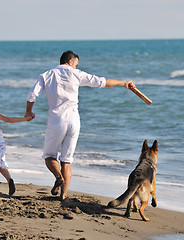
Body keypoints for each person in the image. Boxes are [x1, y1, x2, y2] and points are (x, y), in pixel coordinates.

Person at [25, 50, 135, 200]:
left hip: (57, 120)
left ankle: (58, 177)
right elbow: (101, 82)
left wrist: (28, 112)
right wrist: (123, 83)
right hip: (74, 121)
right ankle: (63, 195)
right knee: (67, 160)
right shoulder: (76, 74)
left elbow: (32, 95)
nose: (76, 67)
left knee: (49, 156)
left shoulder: (47, 75)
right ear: (70, 62)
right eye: (76, 64)